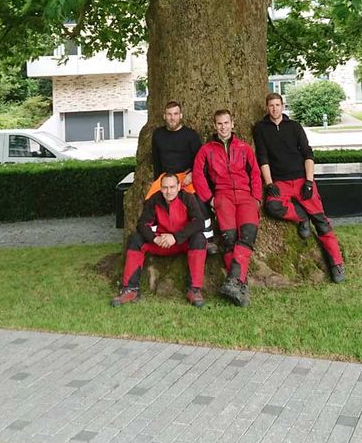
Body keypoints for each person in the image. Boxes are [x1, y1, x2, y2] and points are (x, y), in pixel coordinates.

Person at [252, 93, 346, 283]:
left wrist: (309, 182)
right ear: (266, 107)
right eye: (271, 105)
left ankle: (337, 264)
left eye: (278, 105)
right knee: (272, 206)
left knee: (321, 221)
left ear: (283, 106)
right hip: (280, 182)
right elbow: (263, 158)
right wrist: (269, 184)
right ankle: (301, 218)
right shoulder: (261, 129)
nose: (274, 109)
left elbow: (308, 154)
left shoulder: (294, 127)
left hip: (302, 180)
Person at [192, 109, 262, 308]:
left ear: (233, 124)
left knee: (247, 235)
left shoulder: (244, 148)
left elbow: (255, 174)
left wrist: (256, 198)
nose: (223, 127)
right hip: (222, 197)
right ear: (215, 126)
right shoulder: (206, 150)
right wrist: (210, 199)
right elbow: (198, 175)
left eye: (226, 123)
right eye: (219, 124)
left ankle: (234, 281)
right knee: (229, 239)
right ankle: (240, 283)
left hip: (245, 196)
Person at [111, 173, 207, 307]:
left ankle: (194, 290)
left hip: (182, 242)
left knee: (199, 239)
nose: (169, 191)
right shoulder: (154, 200)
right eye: (165, 187)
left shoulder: (188, 198)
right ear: (161, 188)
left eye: (172, 187)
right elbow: (142, 224)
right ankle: (130, 289)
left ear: (179, 187)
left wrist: (175, 237)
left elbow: (199, 223)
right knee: (135, 239)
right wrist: (154, 239)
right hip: (160, 243)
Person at [146, 100, 215, 252]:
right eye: (169, 114)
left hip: (186, 175)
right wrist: (158, 180)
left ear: (181, 115)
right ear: (164, 116)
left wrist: (192, 175)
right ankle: (157, 237)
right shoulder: (158, 134)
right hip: (166, 176)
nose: (172, 118)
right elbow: (156, 161)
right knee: (151, 199)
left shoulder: (190, 135)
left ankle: (208, 238)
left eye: (175, 114)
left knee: (199, 200)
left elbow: (200, 161)